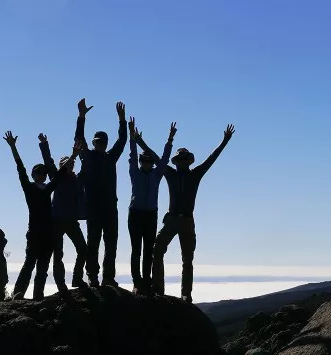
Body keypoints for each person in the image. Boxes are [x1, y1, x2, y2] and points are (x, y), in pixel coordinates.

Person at [151, 124, 235, 303]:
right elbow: (155, 157)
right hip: (173, 219)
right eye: (180, 159)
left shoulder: (195, 174)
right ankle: (159, 288)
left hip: (186, 221)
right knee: (158, 251)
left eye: (184, 159)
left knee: (187, 259)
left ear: (188, 161)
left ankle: (186, 294)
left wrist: (224, 141)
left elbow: (212, 158)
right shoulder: (171, 174)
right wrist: (140, 139)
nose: (182, 161)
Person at [3, 130, 82, 300]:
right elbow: (20, 168)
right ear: (33, 175)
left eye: (43, 173)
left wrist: (74, 155)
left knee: (43, 268)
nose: (41, 174)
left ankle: (38, 296)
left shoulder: (47, 189)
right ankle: (18, 294)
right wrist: (13, 147)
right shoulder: (29, 188)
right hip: (35, 233)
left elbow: (61, 174)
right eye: (38, 172)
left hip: (49, 233)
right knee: (29, 264)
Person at [74, 98, 127, 287]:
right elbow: (79, 140)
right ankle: (93, 276)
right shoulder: (87, 158)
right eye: (98, 141)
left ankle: (108, 277)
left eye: (103, 142)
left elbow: (122, 141)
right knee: (94, 243)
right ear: (94, 143)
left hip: (110, 207)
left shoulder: (111, 157)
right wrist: (81, 117)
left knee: (111, 244)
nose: (100, 144)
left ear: (105, 143)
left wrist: (122, 120)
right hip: (94, 209)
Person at [127, 117, 176, 295]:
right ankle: (137, 283)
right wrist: (132, 137)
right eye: (143, 161)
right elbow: (132, 154)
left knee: (148, 249)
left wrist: (170, 139)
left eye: (149, 161)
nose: (146, 163)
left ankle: (146, 281)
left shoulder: (157, 174)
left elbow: (164, 159)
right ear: (140, 162)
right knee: (136, 250)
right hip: (135, 214)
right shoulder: (134, 172)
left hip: (151, 214)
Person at [38, 132, 89, 289]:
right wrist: (44, 144)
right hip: (57, 220)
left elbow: (87, 167)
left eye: (72, 163)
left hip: (72, 220)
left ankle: (76, 278)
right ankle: (60, 284)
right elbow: (48, 160)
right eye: (67, 164)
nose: (70, 165)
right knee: (58, 254)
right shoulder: (56, 177)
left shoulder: (77, 180)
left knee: (83, 249)